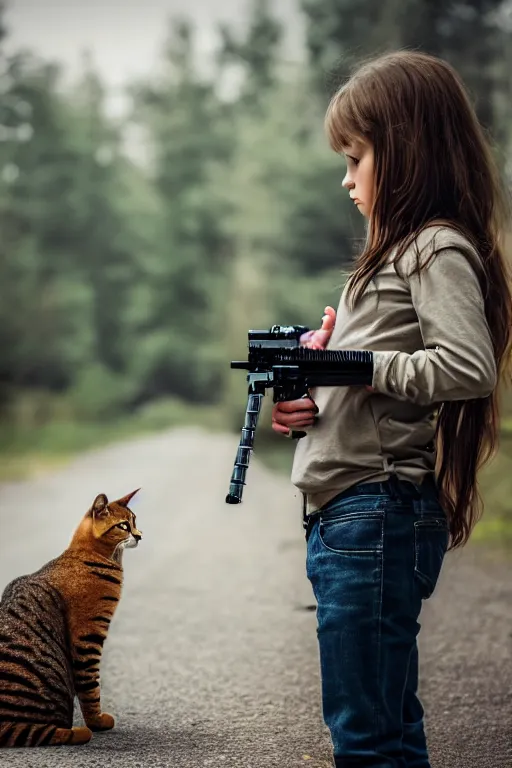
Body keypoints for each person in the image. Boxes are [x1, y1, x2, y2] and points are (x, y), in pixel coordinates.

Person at [271, 50, 512, 768]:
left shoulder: (434, 248)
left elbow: (466, 368)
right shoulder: (390, 257)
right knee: (383, 721)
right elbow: (378, 382)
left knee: (367, 736)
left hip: (373, 513)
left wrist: (359, 365)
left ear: (407, 149)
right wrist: (312, 396)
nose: (347, 179)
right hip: (347, 512)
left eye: (358, 156)